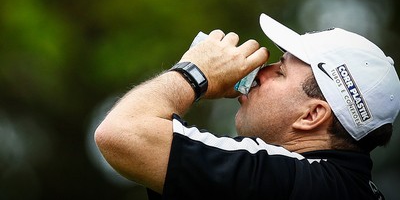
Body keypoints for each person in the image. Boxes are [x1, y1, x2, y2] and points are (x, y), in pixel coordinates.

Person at [94, 13, 400, 200]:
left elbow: (121, 133)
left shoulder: (284, 179)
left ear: (312, 115)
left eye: (280, 72)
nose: (260, 72)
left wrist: (195, 73)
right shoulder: (341, 187)